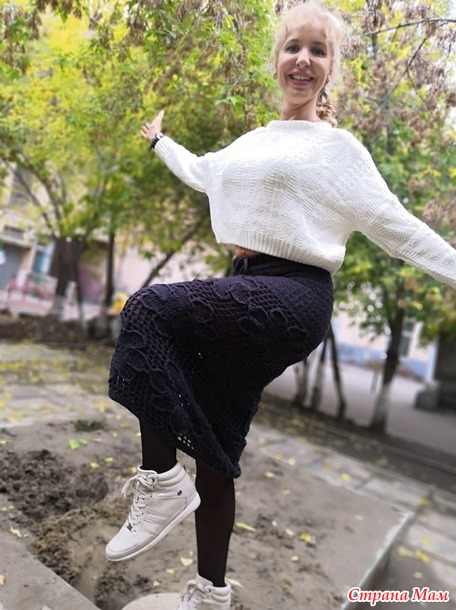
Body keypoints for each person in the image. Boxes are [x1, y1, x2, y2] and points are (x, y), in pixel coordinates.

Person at [106, 1, 456, 608]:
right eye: (294, 46)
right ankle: (210, 592)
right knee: (217, 448)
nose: (304, 59)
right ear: (277, 60)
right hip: (245, 285)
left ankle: (160, 481)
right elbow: (203, 171)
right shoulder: (254, 142)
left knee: (147, 310)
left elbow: (397, 227)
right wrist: (160, 142)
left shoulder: (339, 150)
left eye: (318, 50)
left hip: (293, 294)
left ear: (329, 69)